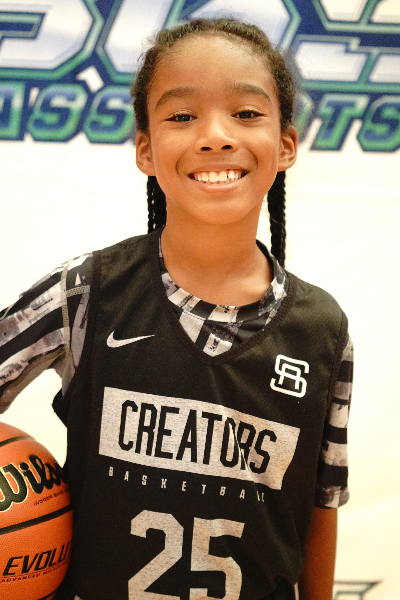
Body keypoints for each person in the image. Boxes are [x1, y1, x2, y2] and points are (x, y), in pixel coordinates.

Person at [0, 18, 353, 600]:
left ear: (286, 144)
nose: (215, 136)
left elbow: (321, 504)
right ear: (145, 149)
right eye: (182, 116)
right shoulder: (83, 293)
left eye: (246, 113)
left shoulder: (323, 330)